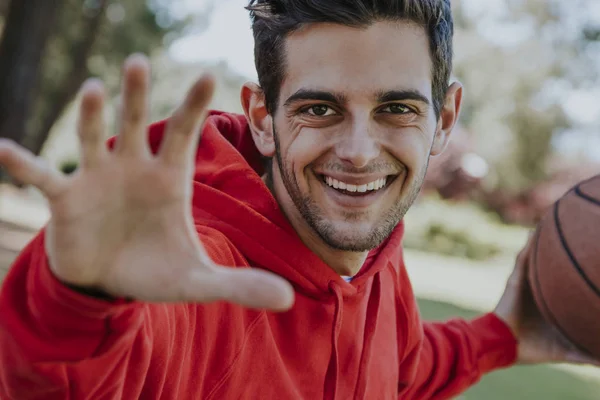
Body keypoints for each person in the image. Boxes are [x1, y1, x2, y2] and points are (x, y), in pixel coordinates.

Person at [0, 1, 596, 399]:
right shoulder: (200, 279)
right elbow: (77, 376)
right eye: (319, 108)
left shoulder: (377, 259)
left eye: (397, 109)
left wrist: (504, 337)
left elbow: (403, 368)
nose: (360, 152)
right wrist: (76, 304)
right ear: (263, 117)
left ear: (443, 119)